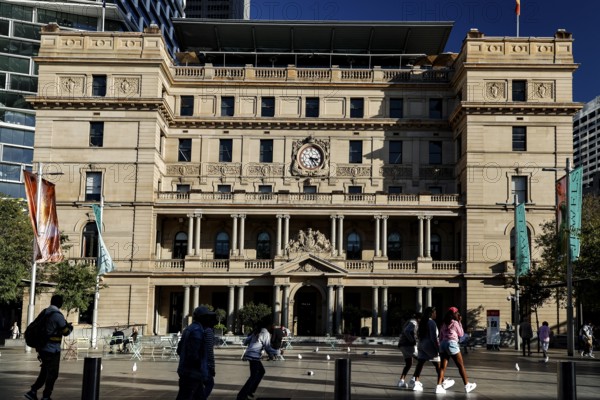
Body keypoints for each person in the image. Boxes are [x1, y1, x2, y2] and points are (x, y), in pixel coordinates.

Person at [25, 294, 73, 400]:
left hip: (42, 347)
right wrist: (70, 327)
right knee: (53, 374)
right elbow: (66, 332)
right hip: (52, 349)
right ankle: (45, 396)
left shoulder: (45, 312)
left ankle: (33, 391)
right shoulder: (57, 315)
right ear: (60, 303)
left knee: (45, 371)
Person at [410, 307, 454, 392]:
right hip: (429, 345)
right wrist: (438, 349)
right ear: (431, 314)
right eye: (435, 312)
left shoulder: (423, 322)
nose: (436, 314)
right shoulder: (431, 323)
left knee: (420, 363)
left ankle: (416, 382)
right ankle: (441, 383)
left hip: (421, 344)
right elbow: (433, 337)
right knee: (438, 364)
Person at [176, 306, 214, 400]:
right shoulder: (198, 331)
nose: (209, 319)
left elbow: (179, 350)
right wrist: (202, 371)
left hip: (187, 372)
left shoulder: (189, 329)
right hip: (192, 374)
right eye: (207, 317)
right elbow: (195, 355)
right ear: (202, 318)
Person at [237, 315, 279, 400]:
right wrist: (277, 351)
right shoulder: (265, 333)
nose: (272, 327)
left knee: (261, 372)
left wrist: (251, 343)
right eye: (272, 325)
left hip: (250, 354)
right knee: (253, 376)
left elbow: (246, 341)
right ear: (269, 325)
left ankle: (249, 391)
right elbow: (267, 348)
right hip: (254, 356)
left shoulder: (257, 331)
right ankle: (242, 395)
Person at [436, 307, 477, 394]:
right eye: (457, 313)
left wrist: (440, 346)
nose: (459, 314)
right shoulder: (455, 323)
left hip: (443, 344)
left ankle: (438, 386)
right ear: (455, 314)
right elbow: (461, 334)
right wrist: (459, 322)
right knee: (461, 365)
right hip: (452, 344)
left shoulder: (444, 323)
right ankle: (467, 385)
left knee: (442, 367)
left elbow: (440, 336)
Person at [396, 312, 421, 389]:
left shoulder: (410, 321)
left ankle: (401, 381)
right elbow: (407, 331)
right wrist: (412, 340)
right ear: (418, 318)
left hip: (403, 345)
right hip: (408, 345)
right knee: (421, 360)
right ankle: (414, 379)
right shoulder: (413, 322)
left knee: (409, 363)